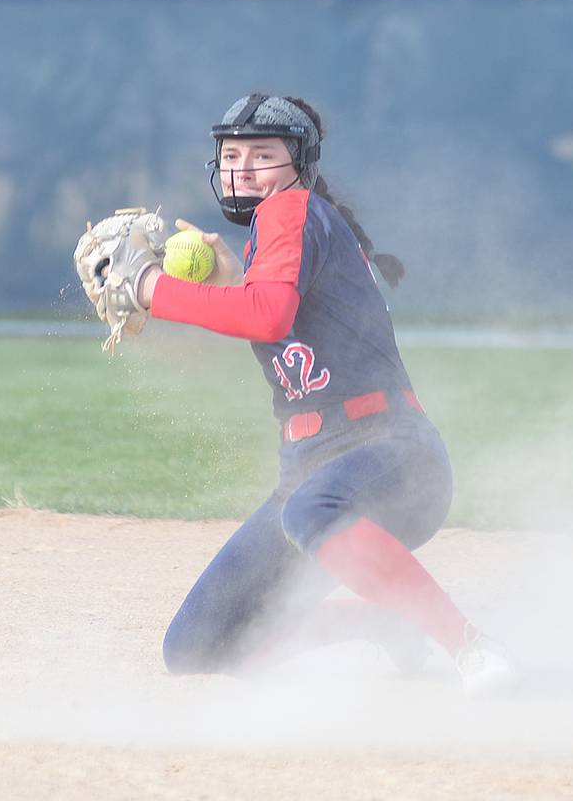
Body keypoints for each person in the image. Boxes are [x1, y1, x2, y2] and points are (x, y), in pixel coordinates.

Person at [135, 93, 518, 697]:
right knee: (197, 646)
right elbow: (276, 316)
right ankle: (383, 617)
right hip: (313, 472)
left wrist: (152, 289)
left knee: (310, 511)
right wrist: (232, 279)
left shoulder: (290, 209)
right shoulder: (292, 224)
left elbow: (266, 316)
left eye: (264, 153)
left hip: (390, 455)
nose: (243, 168)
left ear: (300, 163)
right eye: (231, 154)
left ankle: (470, 645)